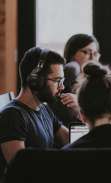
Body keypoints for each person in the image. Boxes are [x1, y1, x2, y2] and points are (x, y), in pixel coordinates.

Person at [0, 47, 69, 177]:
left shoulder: (44, 108)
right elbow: (20, 171)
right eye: (57, 80)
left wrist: (81, 110)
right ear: (35, 80)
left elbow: (69, 139)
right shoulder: (12, 116)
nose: (62, 87)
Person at [48, 34, 100, 126]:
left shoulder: (98, 81)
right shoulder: (68, 74)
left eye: (95, 53)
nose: (92, 58)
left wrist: (80, 104)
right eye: (86, 52)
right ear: (72, 55)